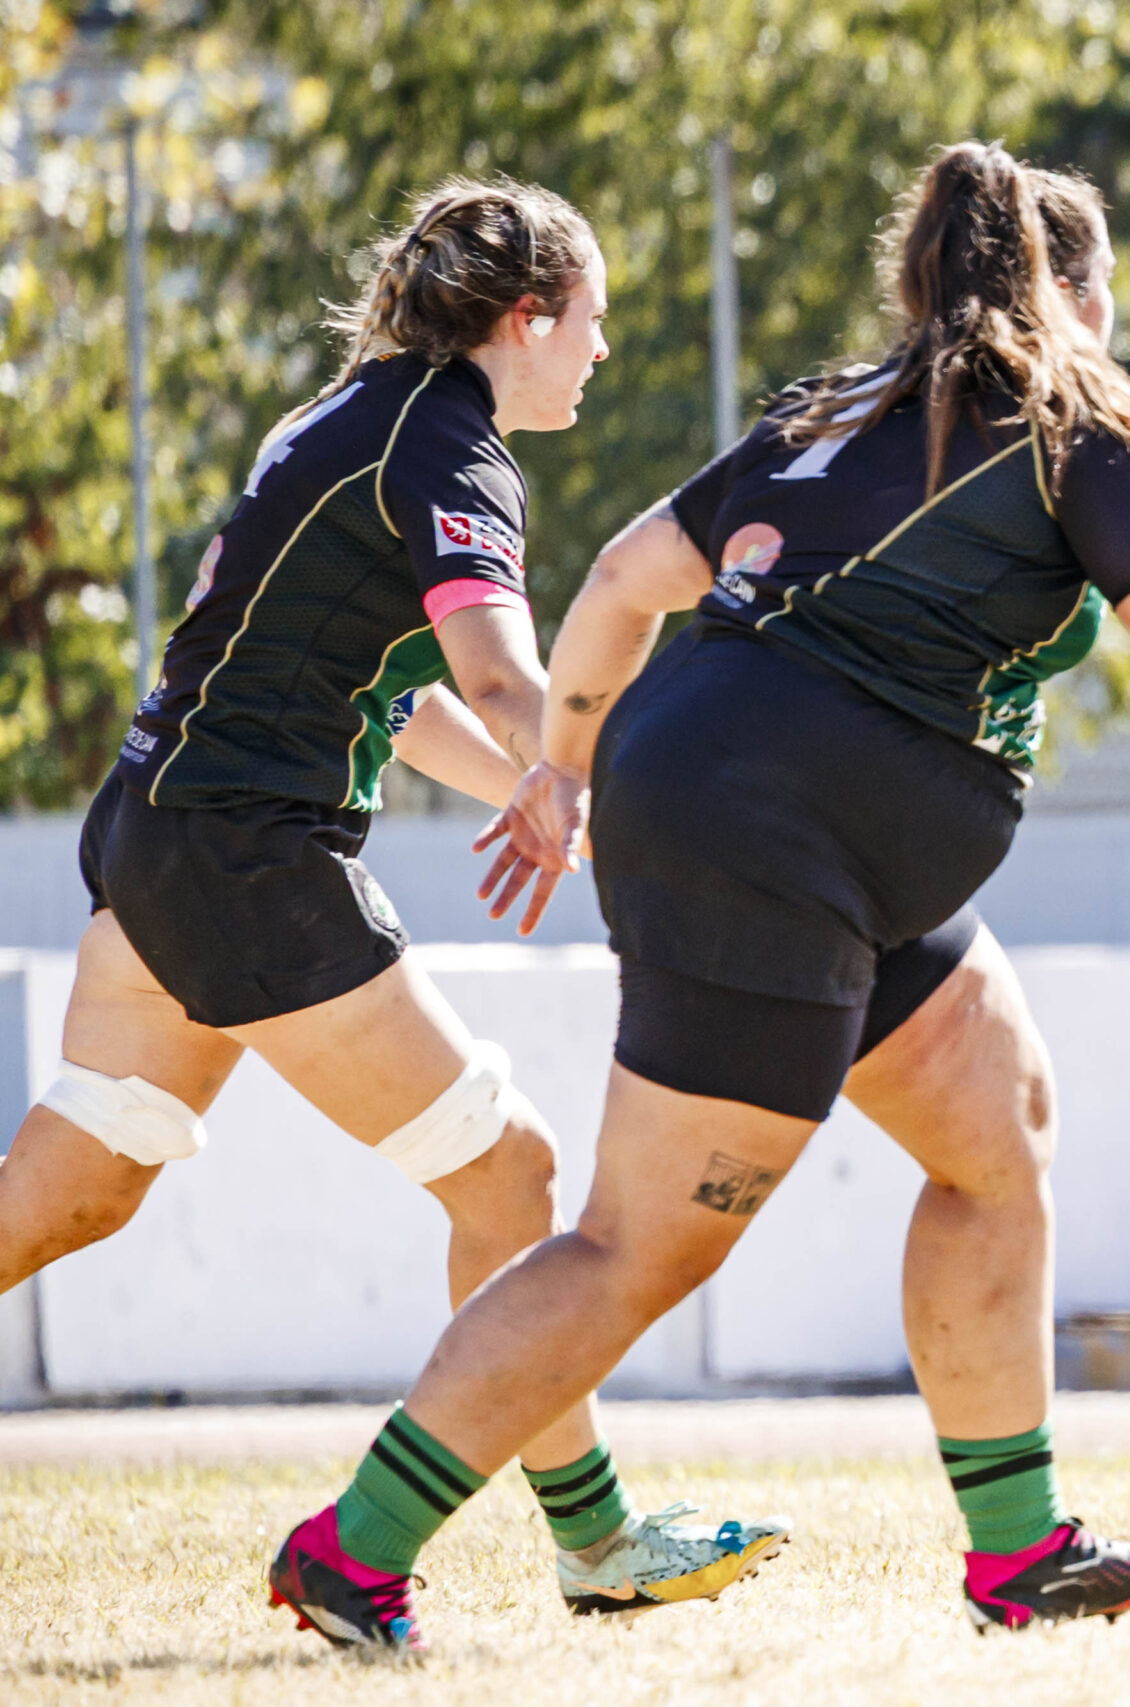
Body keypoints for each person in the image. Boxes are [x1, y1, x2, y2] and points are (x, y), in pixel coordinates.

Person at [271, 141, 1130, 1644]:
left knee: (996, 1129)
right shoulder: (1069, 412)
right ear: (1073, 292)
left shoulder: (832, 411)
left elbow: (628, 576)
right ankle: (356, 1551)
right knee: (642, 1245)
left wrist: (567, 764)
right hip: (780, 844)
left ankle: (1020, 1551)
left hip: (789, 829)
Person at [0, 178, 785, 1651]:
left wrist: (521, 791)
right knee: (513, 1177)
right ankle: (588, 1541)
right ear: (526, 317)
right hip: (248, 862)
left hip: (165, 832)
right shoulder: (451, 447)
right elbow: (496, 670)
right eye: (594, 322)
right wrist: (559, 762)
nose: (601, 353)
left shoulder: (353, 413)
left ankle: (598, 1538)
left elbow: (400, 689)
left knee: (83, 1187)